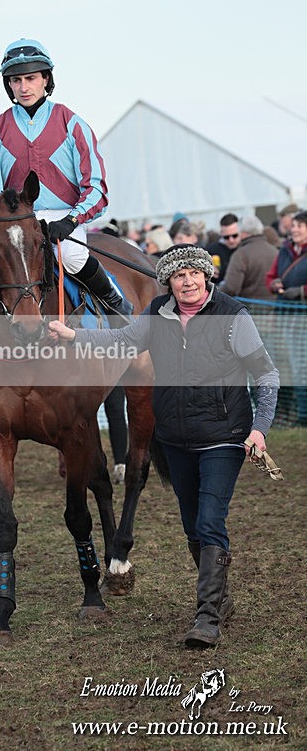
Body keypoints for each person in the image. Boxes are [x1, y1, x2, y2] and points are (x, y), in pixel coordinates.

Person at [49, 244, 279, 648]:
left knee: (210, 522)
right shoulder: (157, 313)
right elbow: (120, 342)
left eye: (194, 273)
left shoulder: (231, 315)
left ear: (206, 276)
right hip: (175, 436)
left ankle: (206, 618)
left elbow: (266, 374)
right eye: (179, 275)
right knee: (192, 526)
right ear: (168, 282)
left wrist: (259, 428)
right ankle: (220, 598)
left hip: (225, 436)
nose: (188, 281)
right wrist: (72, 335)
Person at [0, 38, 131, 318]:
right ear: (8, 85)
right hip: (15, 219)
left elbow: (96, 187)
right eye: (16, 80)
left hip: (63, 218)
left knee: (72, 255)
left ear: (46, 79)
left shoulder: (73, 124)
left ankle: (116, 305)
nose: (23, 87)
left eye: (31, 78)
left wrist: (71, 220)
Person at [266, 210, 307, 425]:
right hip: (288, 317)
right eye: (293, 226)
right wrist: (274, 284)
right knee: (295, 365)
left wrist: (302, 291)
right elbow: (271, 275)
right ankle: (302, 415)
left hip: (303, 313)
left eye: (300, 226)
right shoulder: (284, 251)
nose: (295, 230)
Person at [220, 215, 277, 300]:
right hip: (275, 306)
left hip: (250, 307)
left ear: (243, 233)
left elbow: (231, 288)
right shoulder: (275, 251)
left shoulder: (240, 254)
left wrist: (215, 292)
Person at [206, 213, 242, 283]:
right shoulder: (212, 250)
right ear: (221, 234)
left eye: (235, 236)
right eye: (226, 237)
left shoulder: (246, 247)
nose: (231, 240)